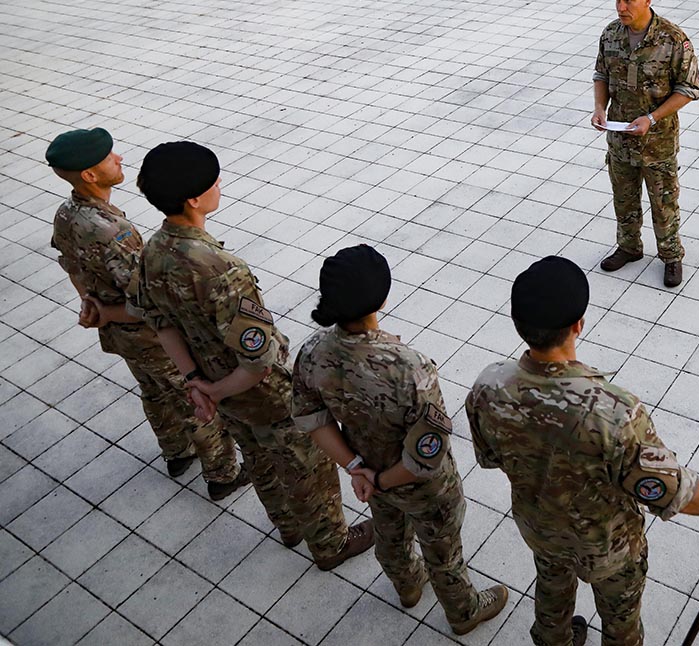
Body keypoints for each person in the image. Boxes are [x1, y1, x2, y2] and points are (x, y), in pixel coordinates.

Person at [466, 256, 699, 646]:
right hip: (608, 549)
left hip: (540, 530)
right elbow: (674, 493)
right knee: (621, 623)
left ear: (520, 327)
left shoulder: (487, 387)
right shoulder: (613, 412)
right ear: (578, 325)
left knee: (551, 589)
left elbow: (490, 458)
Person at [132, 140, 372, 570]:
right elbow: (259, 362)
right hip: (264, 396)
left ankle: (287, 526)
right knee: (304, 466)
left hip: (219, 390)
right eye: (214, 180)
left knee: (258, 460)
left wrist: (197, 384)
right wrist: (217, 389)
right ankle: (331, 543)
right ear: (193, 199)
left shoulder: (152, 253)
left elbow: (160, 323)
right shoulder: (221, 268)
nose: (220, 184)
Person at [291, 245, 509, 634]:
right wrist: (382, 480)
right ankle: (463, 611)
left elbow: (311, 418)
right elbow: (428, 453)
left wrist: (358, 470)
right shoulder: (409, 367)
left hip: (367, 474)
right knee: (443, 553)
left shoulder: (312, 352)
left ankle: (408, 587)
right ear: (382, 299)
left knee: (390, 539)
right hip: (420, 487)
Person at [45, 128, 246, 499]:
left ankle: (176, 452)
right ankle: (222, 474)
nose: (118, 159)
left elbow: (70, 265)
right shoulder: (112, 231)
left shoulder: (65, 214)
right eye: (108, 157)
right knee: (192, 401)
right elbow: (146, 301)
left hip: (120, 336)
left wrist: (90, 304)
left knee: (153, 391)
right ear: (90, 175)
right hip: (147, 335)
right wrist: (104, 312)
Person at [591, 0, 699, 288]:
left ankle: (671, 256)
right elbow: (601, 75)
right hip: (620, 141)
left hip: (657, 144)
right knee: (623, 200)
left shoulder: (672, 39)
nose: (621, 8)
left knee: (663, 202)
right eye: (617, 1)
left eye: (627, 0)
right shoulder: (611, 34)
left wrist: (652, 118)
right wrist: (600, 107)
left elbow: (689, 88)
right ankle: (629, 247)